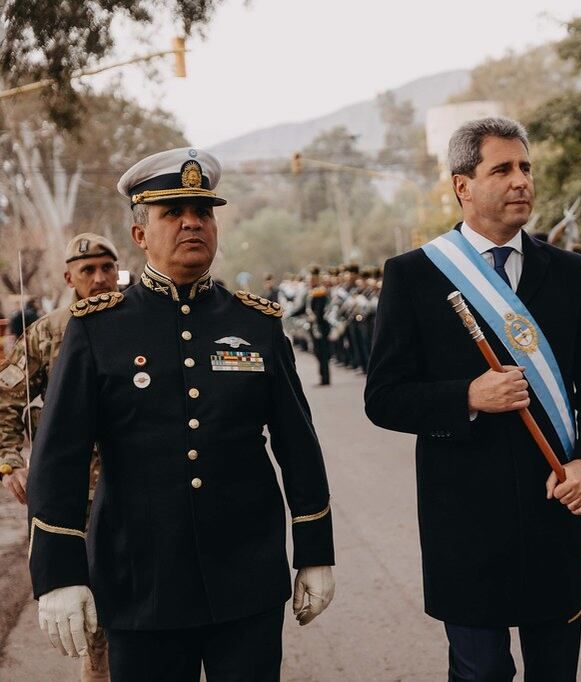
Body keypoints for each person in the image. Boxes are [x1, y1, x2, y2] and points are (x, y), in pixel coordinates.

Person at [26, 147, 336, 681]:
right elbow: (60, 456)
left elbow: (298, 444)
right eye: (174, 213)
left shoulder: (256, 323)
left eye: (203, 212)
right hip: (139, 579)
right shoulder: (98, 328)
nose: (192, 223)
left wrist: (315, 550)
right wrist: (58, 574)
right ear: (140, 234)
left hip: (246, 577)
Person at [365, 117, 581, 680]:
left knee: (555, 671)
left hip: (555, 511)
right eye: (502, 169)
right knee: (481, 673)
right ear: (462, 186)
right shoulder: (414, 275)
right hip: (465, 522)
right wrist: (468, 395)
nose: (521, 181)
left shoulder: (570, 272)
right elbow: (383, 397)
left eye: (526, 167)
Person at [0, 232, 120, 682]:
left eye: (107, 268)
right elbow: (7, 397)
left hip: (134, 481)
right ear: (69, 277)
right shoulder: (49, 331)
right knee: (87, 589)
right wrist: (10, 460)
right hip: (76, 490)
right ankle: (97, 667)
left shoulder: (137, 321)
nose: (100, 278)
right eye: (87, 270)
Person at [306, 265, 332, 386]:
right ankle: (323, 376)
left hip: (320, 326)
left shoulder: (320, 291)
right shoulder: (313, 291)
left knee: (322, 352)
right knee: (318, 352)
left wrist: (314, 318)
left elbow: (319, 311)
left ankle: (325, 378)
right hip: (315, 325)